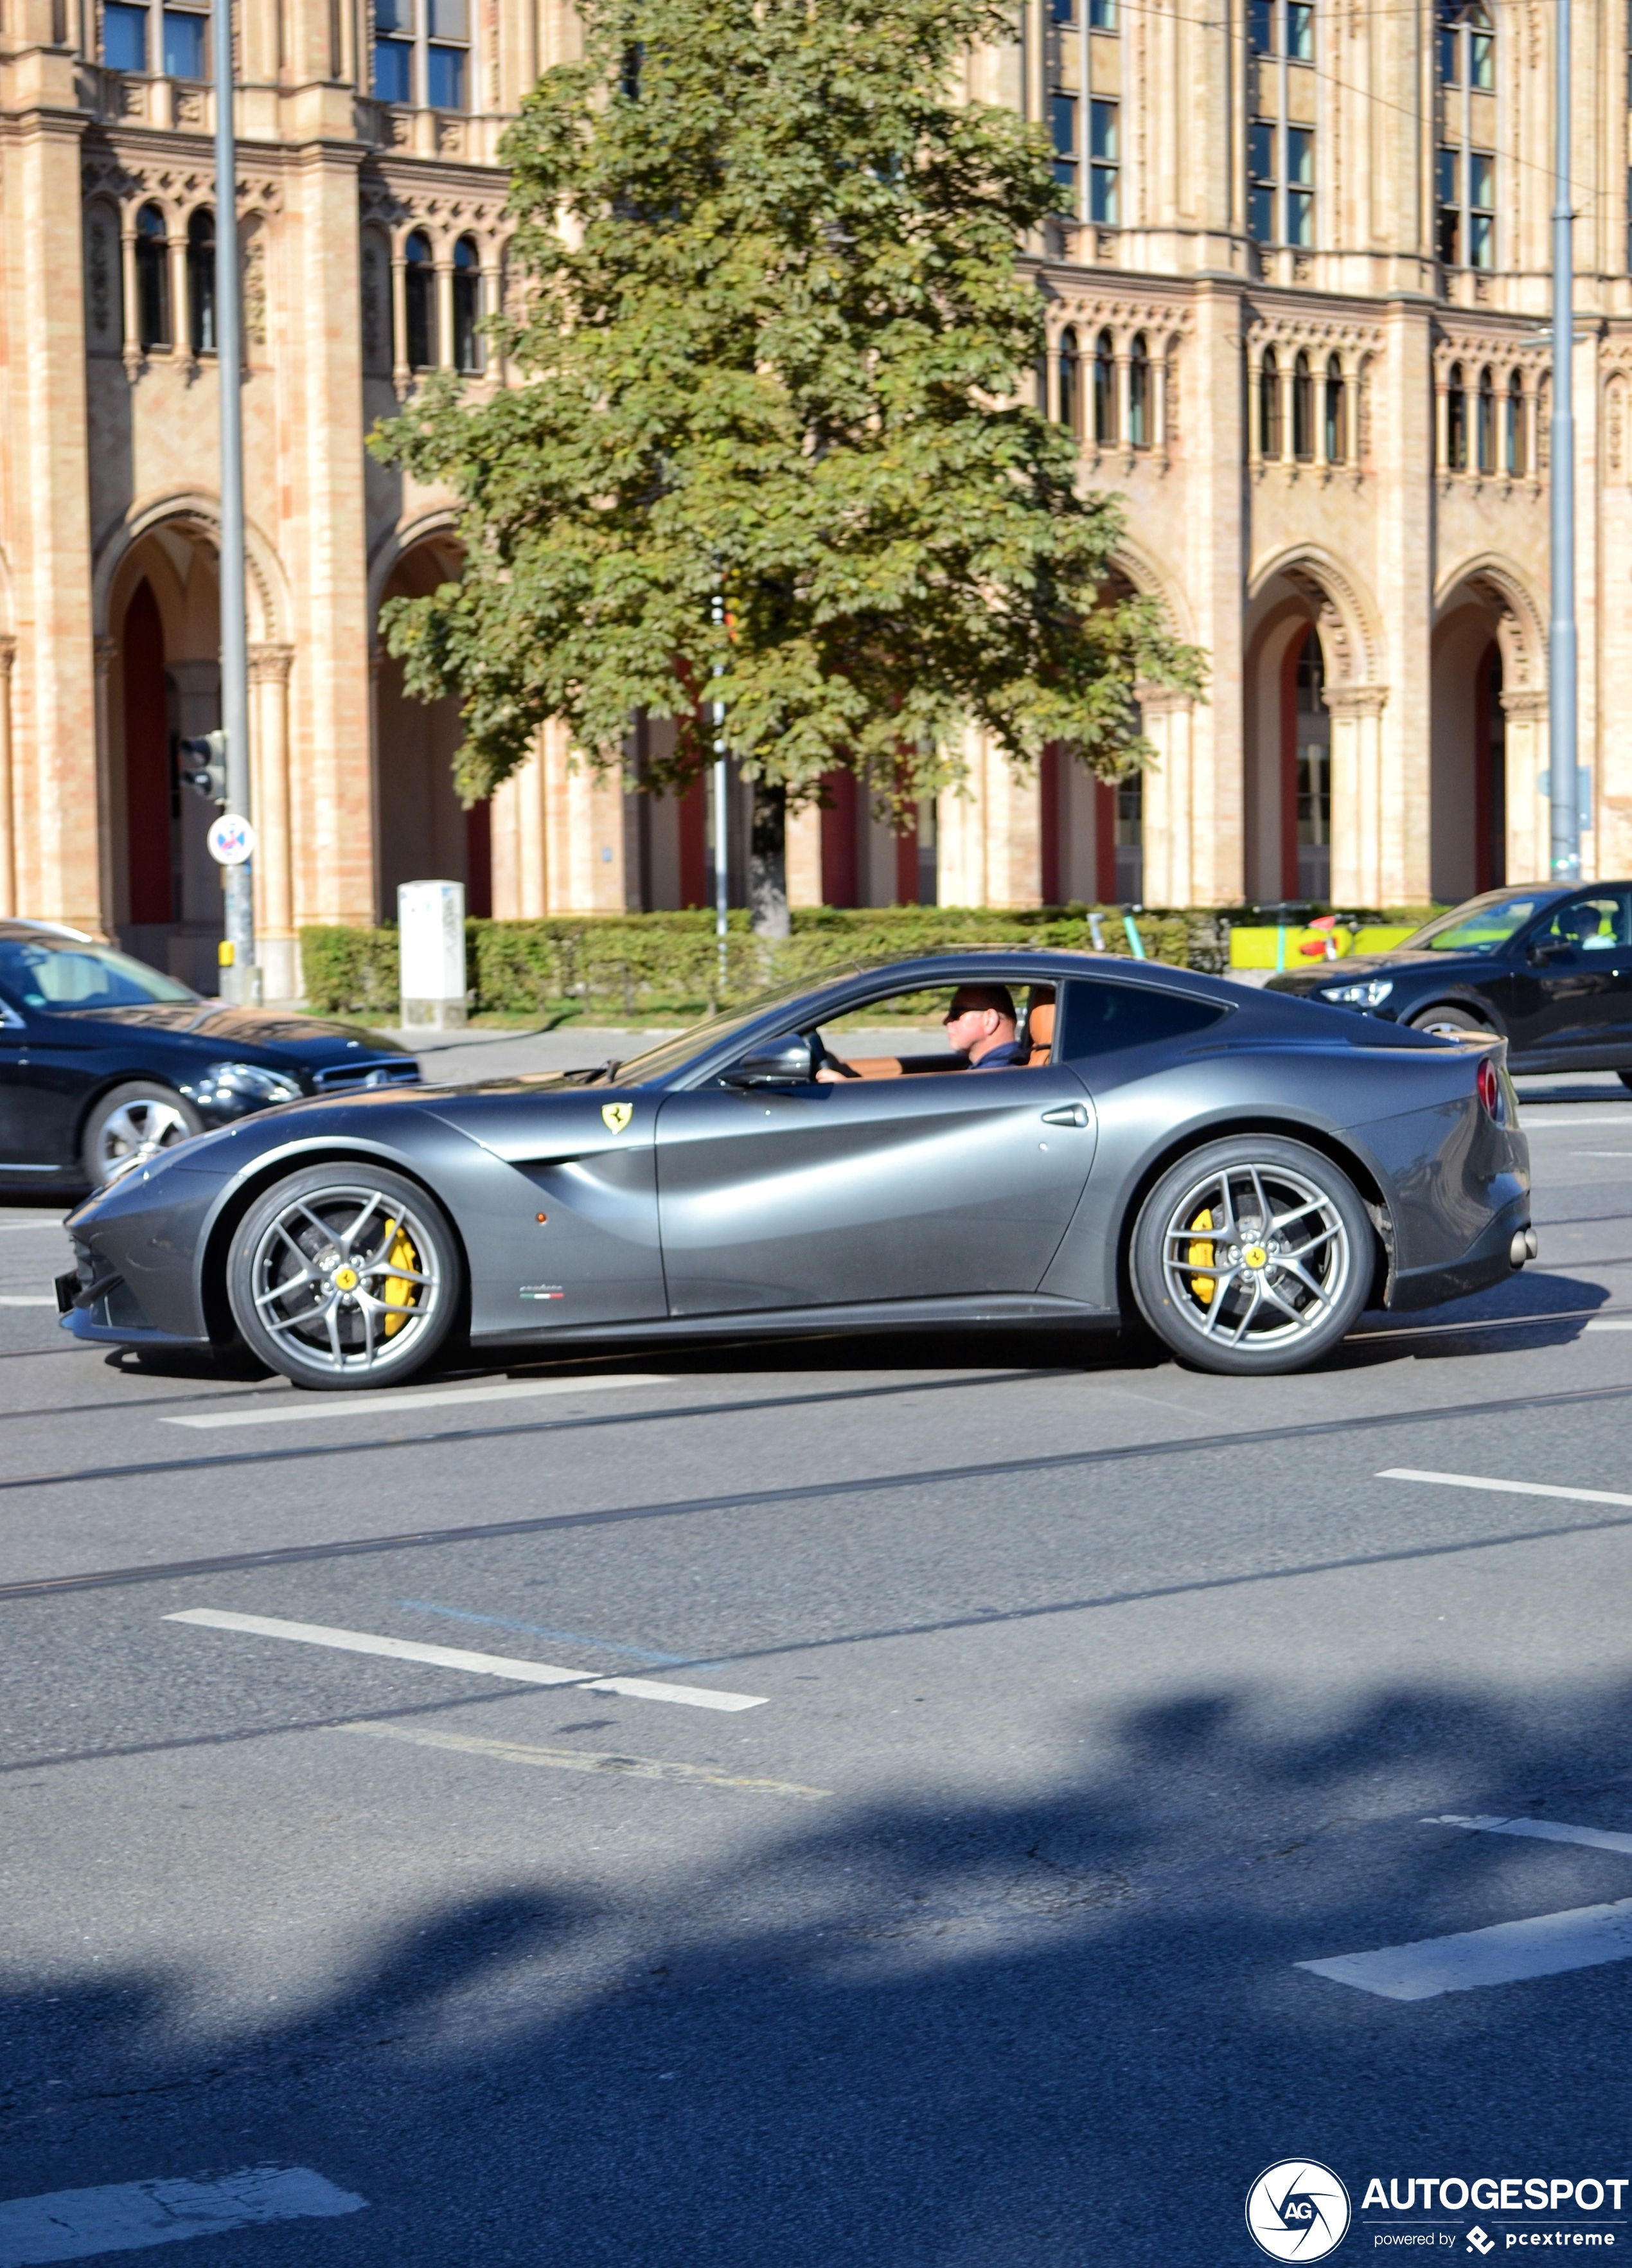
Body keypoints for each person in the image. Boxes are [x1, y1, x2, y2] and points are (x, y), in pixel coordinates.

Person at [815, 983, 1026, 1080]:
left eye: (956, 1012)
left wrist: (848, 1093)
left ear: (989, 1020)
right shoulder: (996, 1068)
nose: (946, 1021)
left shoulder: (997, 1075)